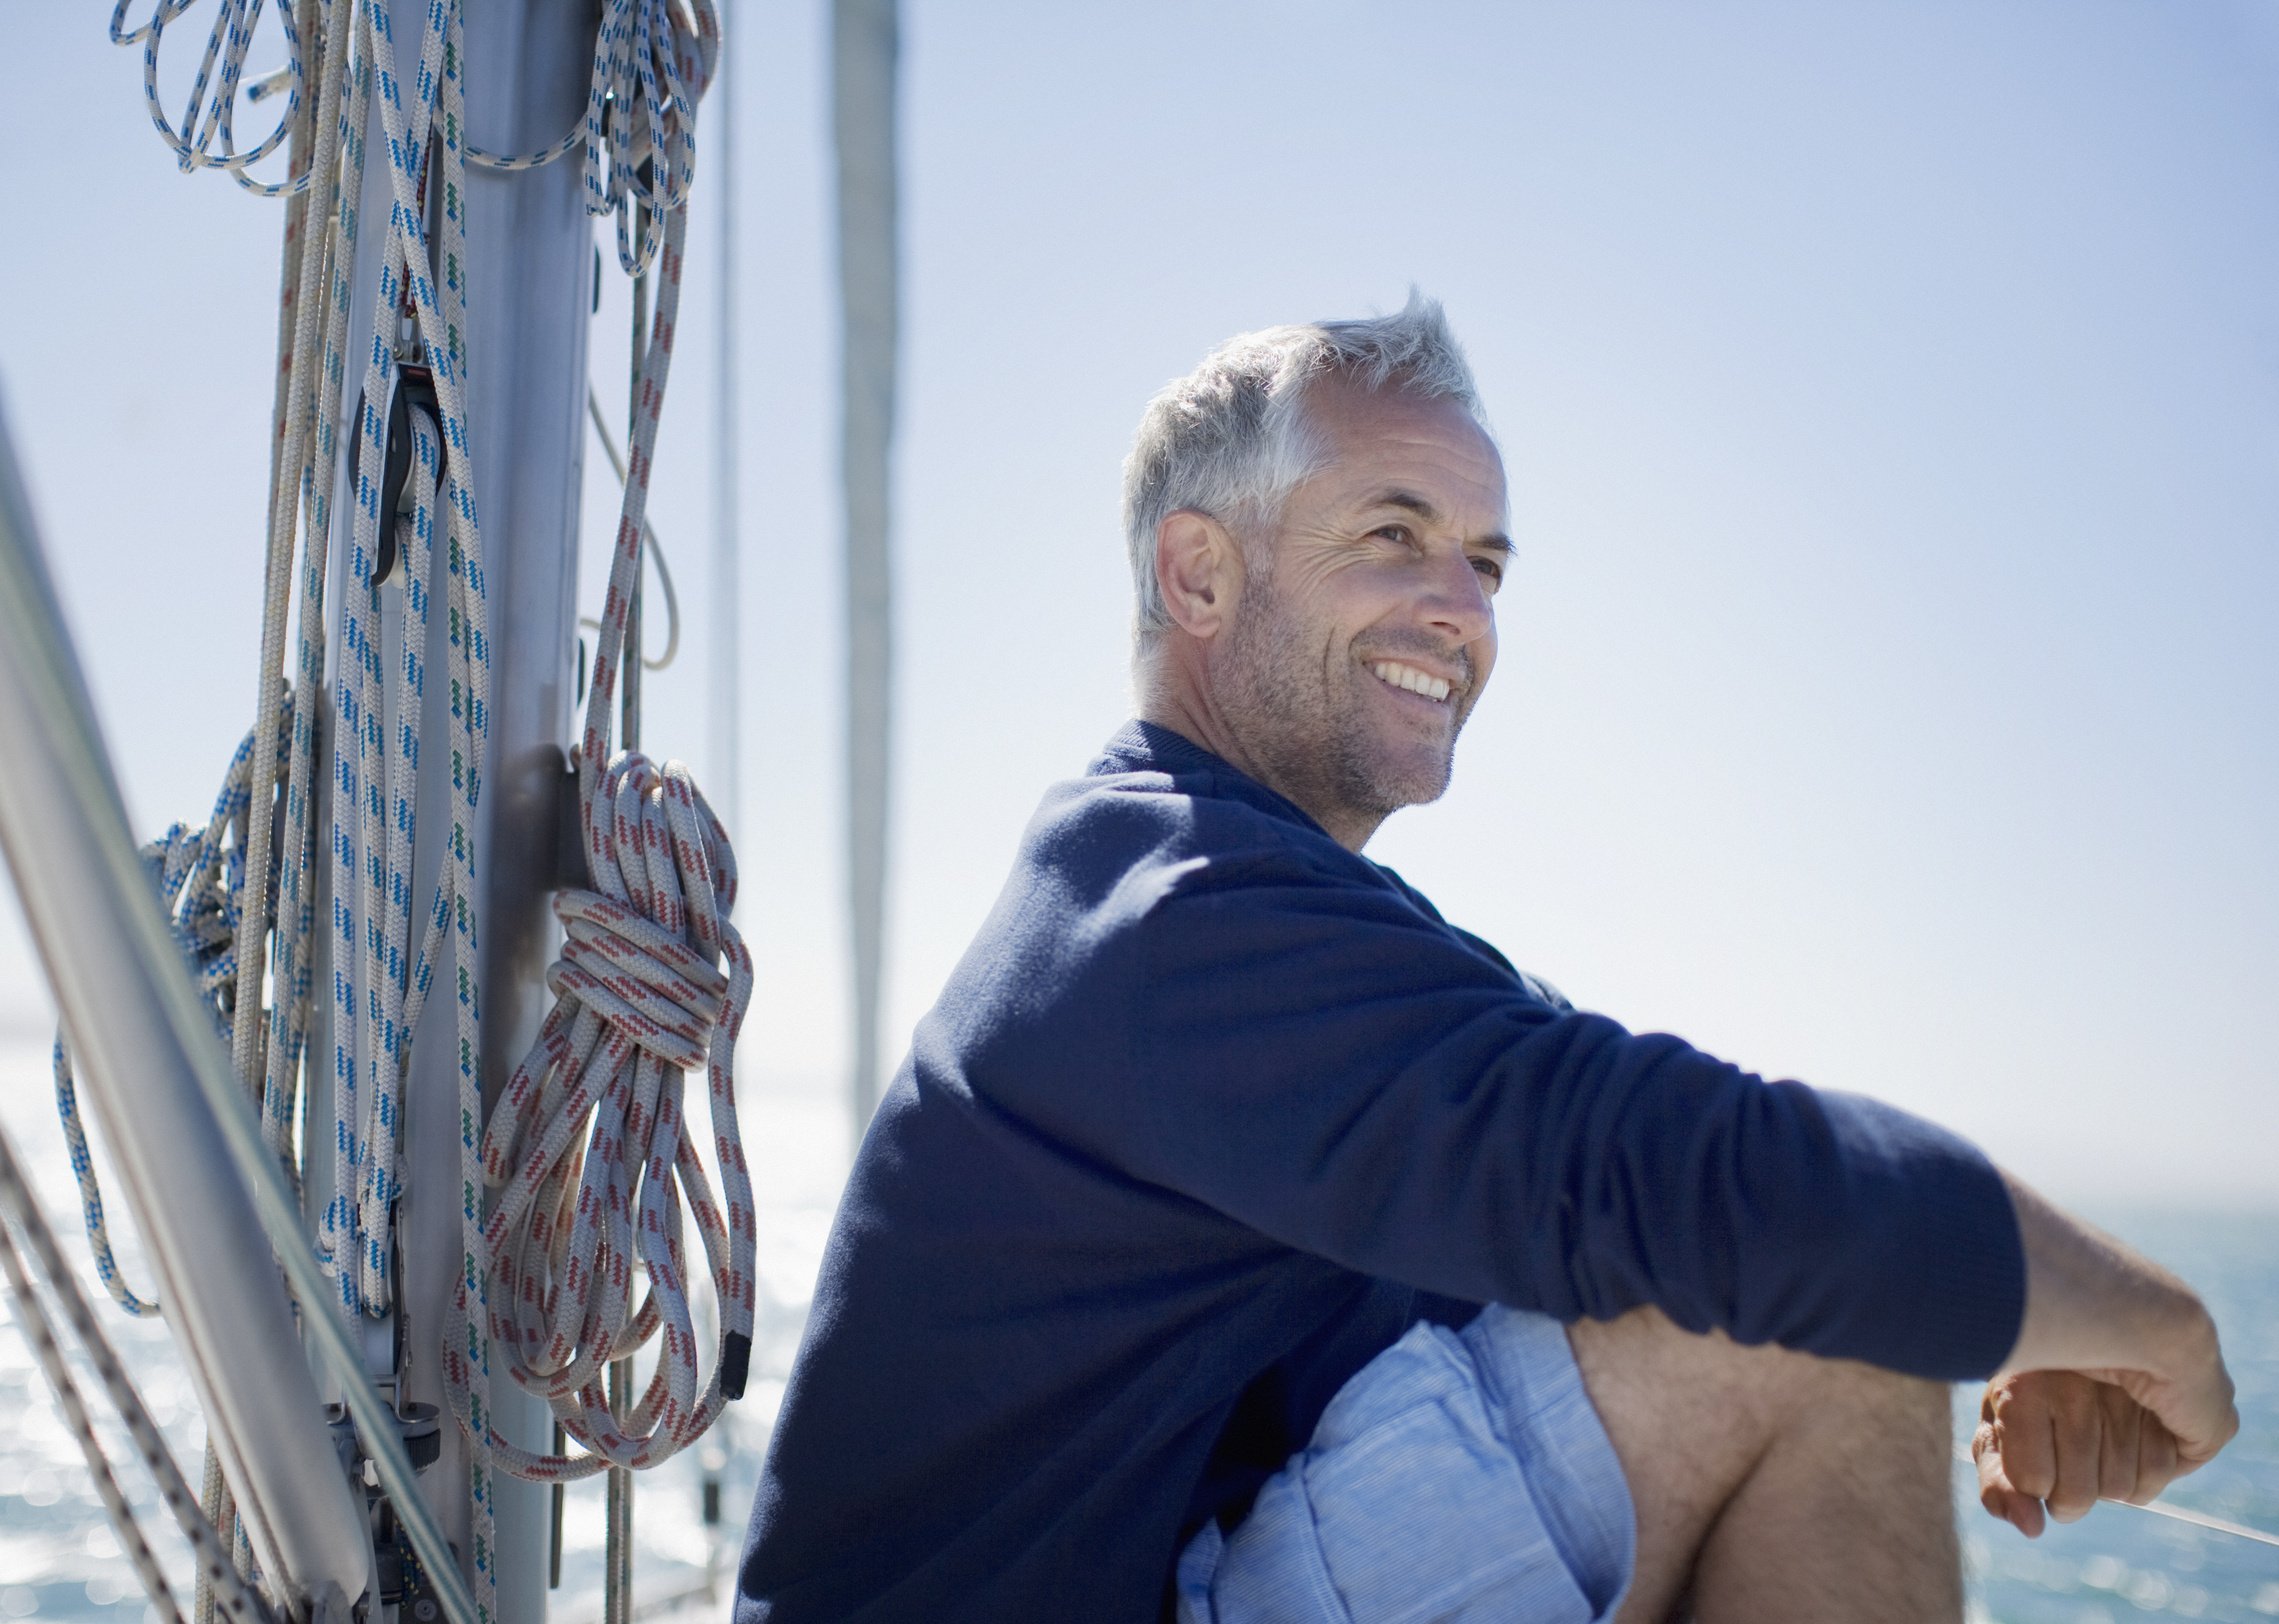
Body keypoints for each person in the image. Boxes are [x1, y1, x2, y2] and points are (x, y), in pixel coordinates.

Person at [734, 296, 2237, 1623]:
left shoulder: (1291, 922)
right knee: (1810, 1327)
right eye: (1393, 535)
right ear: (1197, 578)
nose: (1460, 612)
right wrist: (2142, 1326)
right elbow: (1713, 1185)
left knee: (1797, 1291)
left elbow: (1618, 1181)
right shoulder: (1175, 915)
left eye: (1486, 563)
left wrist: (2002, 1312)